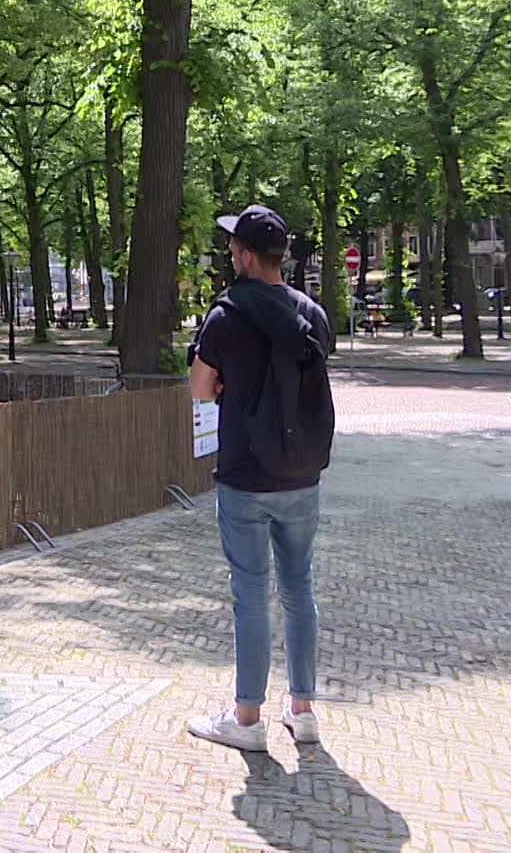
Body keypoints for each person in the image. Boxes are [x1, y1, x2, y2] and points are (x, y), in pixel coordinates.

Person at [186, 205, 336, 753]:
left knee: (250, 595)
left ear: (246, 255)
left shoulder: (226, 315)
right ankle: (304, 710)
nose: (229, 254)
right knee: (299, 588)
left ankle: (246, 719)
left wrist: (226, 382)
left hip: (247, 475)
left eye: (232, 247)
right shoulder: (311, 313)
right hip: (301, 475)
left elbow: (200, 388)